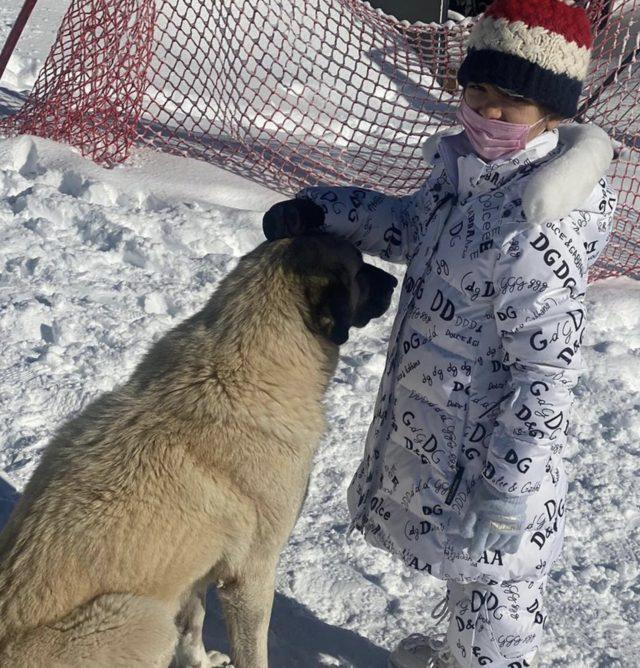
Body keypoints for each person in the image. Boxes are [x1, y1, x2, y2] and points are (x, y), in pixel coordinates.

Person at [262, 1, 617, 666]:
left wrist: (510, 486)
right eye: (478, 90)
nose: (488, 111)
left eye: (510, 100)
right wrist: (321, 211)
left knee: (499, 591)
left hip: (495, 465)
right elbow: (404, 227)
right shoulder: (464, 180)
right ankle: (462, 654)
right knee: (472, 581)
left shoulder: (536, 229)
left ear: (553, 114)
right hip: (449, 443)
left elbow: (547, 376)